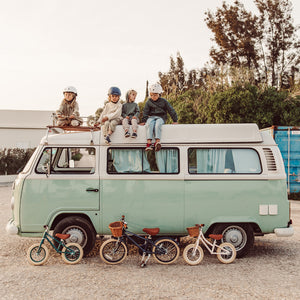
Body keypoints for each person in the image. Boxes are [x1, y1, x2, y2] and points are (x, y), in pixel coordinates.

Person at [141, 83, 178, 151]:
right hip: (151, 117)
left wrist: (175, 120)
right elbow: (145, 112)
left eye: (155, 95)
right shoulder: (148, 102)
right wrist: (144, 121)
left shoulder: (163, 101)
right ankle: (149, 143)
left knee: (157, 125)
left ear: (159, 94)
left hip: (161, 117)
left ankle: (157, 141)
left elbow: (170, 110)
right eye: (151, 95)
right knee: (149, 124)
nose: (153, 97)